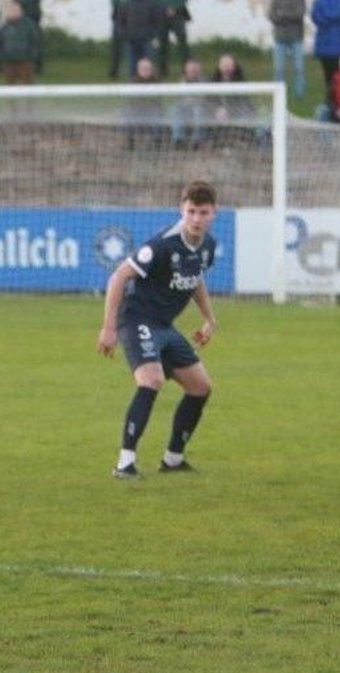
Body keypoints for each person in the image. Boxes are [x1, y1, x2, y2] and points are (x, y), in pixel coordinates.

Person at [96, 180, 220, 479]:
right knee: (151, 380)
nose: (196, 219)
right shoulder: (162, 245)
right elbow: (118, 277)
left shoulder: (207, 247)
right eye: (191, 211)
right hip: (137, 319)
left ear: (214, 213)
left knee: (201, 387)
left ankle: (173, 459)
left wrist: (210, 319)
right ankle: (124, 464)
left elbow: (195, 280)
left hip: (164, 326)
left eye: (203, 213)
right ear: (182, 209)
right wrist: (108, 328)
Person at [312, 0, 340, 97]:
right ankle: (331, 95)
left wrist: (325, 18)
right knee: (327, 71)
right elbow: (314, 16)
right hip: (326, 39)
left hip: (335, 39)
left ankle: (338, 95)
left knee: (337, 71)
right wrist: (330, 19)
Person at [270, 0, 308, 98]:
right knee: (279, 69)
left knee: (299, 68)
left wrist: (282, 15)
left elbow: (300, 15)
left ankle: (300, 94)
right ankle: (278, 93)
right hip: (280, 37)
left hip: (296, 37)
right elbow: (272, 16)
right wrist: (289, 16)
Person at [169, 59, 206, 148]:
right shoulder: (180, 83)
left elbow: (205, 100)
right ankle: (178, 140)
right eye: (190, 69)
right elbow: (175, 99)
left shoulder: (205, 83)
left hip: (201, 109)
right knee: (174, 109)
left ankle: (197, 140)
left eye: (194, 69)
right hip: (185, 109)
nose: (192, 71)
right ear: (185, 71)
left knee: (198, 110)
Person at [159, 0, 192, 77]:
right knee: (162, 45)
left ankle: (188, 70)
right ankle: (163, 71)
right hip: (161, 15)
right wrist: (163, 8)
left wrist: (175, 7)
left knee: (183, 45)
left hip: (178, 14)